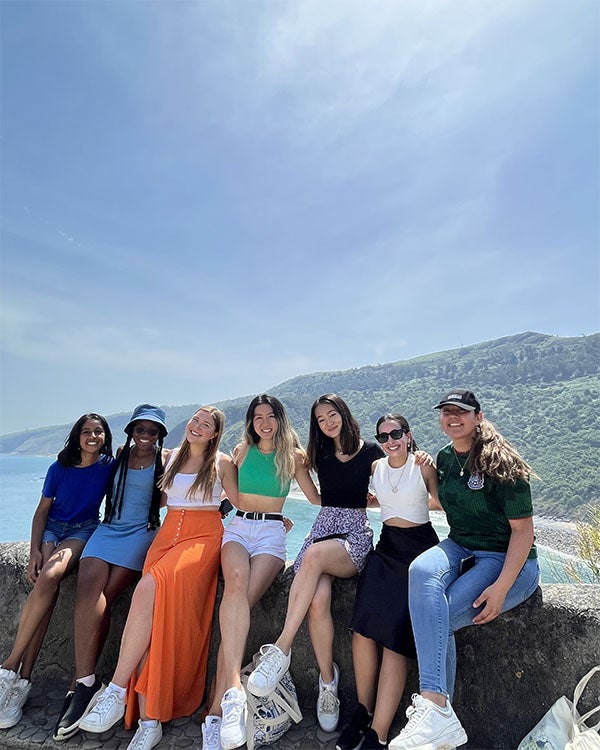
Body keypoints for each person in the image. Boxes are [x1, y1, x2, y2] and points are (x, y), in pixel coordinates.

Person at [388, 389, 540, 750]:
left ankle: (436, 713)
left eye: (461, 411)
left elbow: (523, 531)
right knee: (421, 568)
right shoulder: (443, 458)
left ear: (478, 417)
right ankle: (438, 713)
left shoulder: (502, 463)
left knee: (442, 617)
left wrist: (502, 588)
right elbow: (444, 502)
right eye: (446, 412)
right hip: (461, 545)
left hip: (506, 557)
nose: (452, 417)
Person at [79, 406, 238, 750]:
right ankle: (149, 720)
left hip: (203, 539)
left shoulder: (223, 462)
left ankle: (117, 688)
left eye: (205, 424)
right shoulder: (172, 457)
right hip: (166, 538)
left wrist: (273, 519)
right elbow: (140, 476)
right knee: (155, 623)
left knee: (148, 587)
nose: (196, 426)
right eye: (195, 420)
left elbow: (241, 502)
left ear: (214, 433)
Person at [247, 394, 384, 734]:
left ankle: (281, 648)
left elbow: (395, 485)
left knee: (312, 556)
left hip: (353, 533)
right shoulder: (318, 454)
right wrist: (273, 514)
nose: (327, 423)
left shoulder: (370, 452)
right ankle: (328, 684)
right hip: (323, 526)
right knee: (318, 602)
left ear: (344, 414)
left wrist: (372, 498)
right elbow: (310, 494)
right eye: (320, 419)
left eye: (332, 415)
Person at [202, 394, 321, 750]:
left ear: (280, 420)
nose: (264, 423)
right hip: (238, 529)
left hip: (271, 534)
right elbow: (230, 496)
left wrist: (371, 495)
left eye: (270, 416)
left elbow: (316, 498)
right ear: (251, 422)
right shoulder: (240, 451)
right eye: (258, 417)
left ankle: (216, 710)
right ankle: (225, 705)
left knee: (236, 613)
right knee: (235, 589)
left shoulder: (294, 457)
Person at [53, 404, 169, 741]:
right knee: (88, 588)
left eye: (152, 431)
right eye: (139, 429)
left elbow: (194, 480)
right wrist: (54, 528)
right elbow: (81, 474)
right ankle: (86, 680)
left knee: (105, 599)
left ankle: (81, 686)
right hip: (107, 530)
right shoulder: (117, 454)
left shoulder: (165, 460)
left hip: (140, 534)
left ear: (159, 434)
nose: (144, 436)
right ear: (131, 431)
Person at [0, 414, 114, 729]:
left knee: (50, 577)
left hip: (83, 530)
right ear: (77, 436)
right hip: (53, 530)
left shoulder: (108, 467)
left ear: (105, 437)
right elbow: (41, 513)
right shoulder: (58, 469)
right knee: (45, 594)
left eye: (98, 431)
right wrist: (34, 551)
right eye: (87, 431)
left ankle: (8, 667)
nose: (93, 436)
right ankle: (21, 682)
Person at [336, 413, 441, 750]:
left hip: (418, 551)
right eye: (383, 436)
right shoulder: (376, 468)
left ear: (408, 435)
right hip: (386, 549)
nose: (390, 440)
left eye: (396, 433)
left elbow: (438, 502)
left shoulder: (422, 465)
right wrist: (380, 501)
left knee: (396, 639)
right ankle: (363, 711)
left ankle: (378, 733)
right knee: (362, 629)